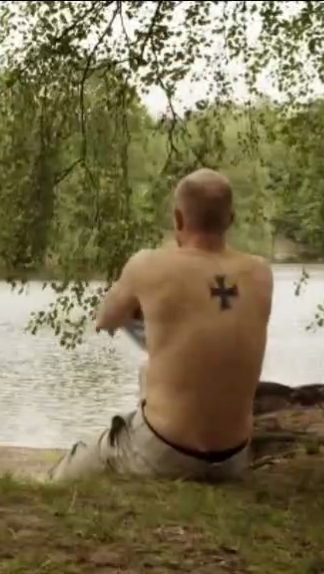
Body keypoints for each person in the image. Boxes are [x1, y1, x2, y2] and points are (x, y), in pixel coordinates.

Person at [48, 168, 274, 482]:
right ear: (231, 219)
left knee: (78, 460)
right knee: (157, 363)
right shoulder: (260, 272)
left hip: (165, 453)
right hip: (233, 459)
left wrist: (143, 312)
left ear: (178, 219)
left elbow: (105, 319)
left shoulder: (148, 264)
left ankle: (52, 481)